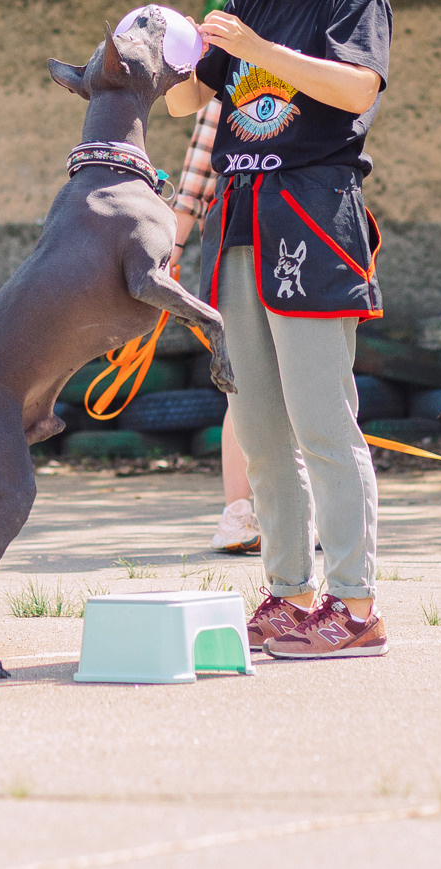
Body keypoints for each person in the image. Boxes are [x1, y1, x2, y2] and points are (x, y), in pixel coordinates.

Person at [165, 0, 392, 659]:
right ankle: (290, 592)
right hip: (238, 223)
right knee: (259, 427)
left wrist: (257, 47)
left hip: (313, 218)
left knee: (325, 424)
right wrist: (182, 51)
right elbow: (190, 101)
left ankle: (356, 603)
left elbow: (357, 89)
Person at [171, 99, 259, 555]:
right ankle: (238, 512)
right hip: (233, 238)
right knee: (244, 383)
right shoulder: (225, 75)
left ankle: (291, 513)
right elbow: (194, 182)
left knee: (292, 386)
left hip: (299, 236)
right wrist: (173, 248)